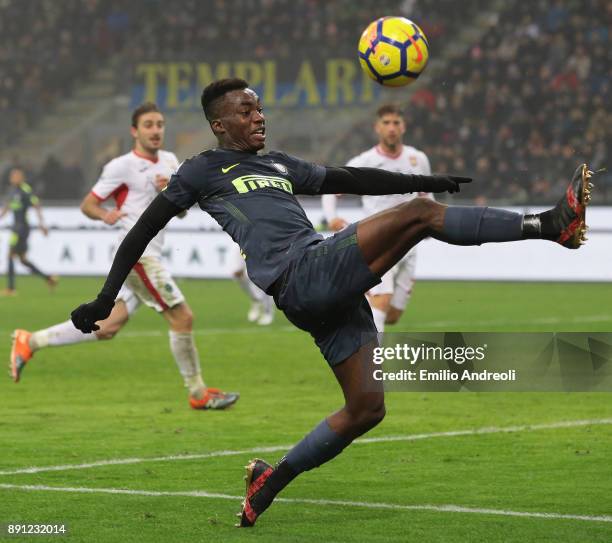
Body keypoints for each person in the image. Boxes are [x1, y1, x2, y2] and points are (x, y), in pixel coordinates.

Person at [68, 79, 593, 527]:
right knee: (420, 217)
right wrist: (104, 298)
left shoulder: (275, 162)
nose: (259, 116)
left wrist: (425, 180)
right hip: (301, 274)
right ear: (219, 125)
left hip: (318, 286)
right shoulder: (201, 171)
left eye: (260, 107)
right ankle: (549, 225)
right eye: (246, 110)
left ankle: (268, 481)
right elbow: (141, 230)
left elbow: (351, 178)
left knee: (367, 408)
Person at [10, 102, 238, 411]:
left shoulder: (171, 161)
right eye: (148, 125)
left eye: (159, 124)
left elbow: (182, 212)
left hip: (151, 254)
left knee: (108, 327)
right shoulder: (121, 166)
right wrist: (105, 215)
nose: (155, 130)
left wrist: (169, 191)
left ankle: (30, 341)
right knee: (182, 317)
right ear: (135, 131)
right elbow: (88, 204)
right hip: (138, 256)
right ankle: (198, 393)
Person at [322, 103, 433, 331]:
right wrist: (331, 217)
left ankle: (352, 310)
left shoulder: (417, 159)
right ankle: (370, 364)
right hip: (379, 241)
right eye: (386, 123)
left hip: (409, 245)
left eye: (396, 123)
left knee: (392, 315)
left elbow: (427, 195)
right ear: (377, 128)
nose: (391, 128)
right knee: (381, 301)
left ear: (404, 127)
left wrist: (431, 222)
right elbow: (332, 190)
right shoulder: (364, 162)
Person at [0, 167, 57, 296]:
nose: (13, 178)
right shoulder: (12, 191)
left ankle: (11, 289)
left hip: (21, 229)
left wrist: (42, 224)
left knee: (10, 255)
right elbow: (6, 208)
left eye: (16, 176)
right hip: (17, 228)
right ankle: (49, 279)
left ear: (22, 177)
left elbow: (36, 205)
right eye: (12, 176)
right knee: (23, 260)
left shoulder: (25, 190)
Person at [232, 244, 275, 325]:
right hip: (244, 243)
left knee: (264, 278)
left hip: (264, 245)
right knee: (238, 275)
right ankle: (256, 299)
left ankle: (267, 312)